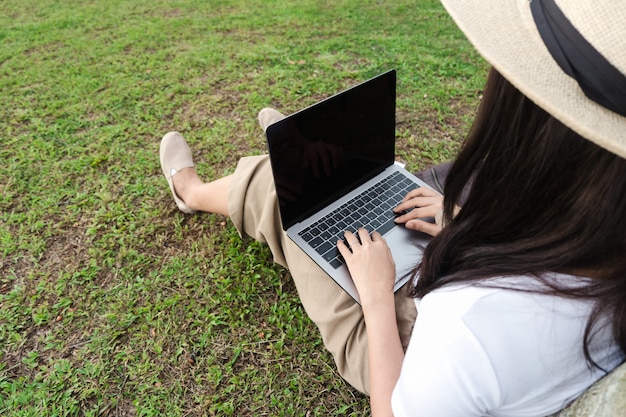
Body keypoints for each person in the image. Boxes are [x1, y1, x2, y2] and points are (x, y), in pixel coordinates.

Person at [159, 0, 626, 415]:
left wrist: (377, 296)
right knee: (355, 185)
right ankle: (298, 151)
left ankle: (199, 191)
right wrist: (464, 230)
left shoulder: (472, 329)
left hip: (403, 345)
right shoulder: (604, 254)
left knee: (284, 198)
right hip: (450, 298)